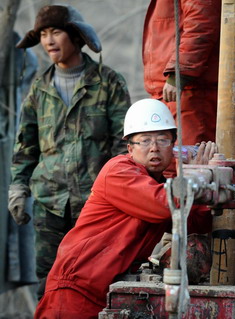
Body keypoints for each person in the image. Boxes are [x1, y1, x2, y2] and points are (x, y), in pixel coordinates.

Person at [34, 99, 215, 318]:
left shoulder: (158, 183)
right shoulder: (118, 171)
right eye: (145, 140)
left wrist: (204, 185)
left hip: (108, 293)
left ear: (174, 147)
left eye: (163, 140)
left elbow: (195, 222)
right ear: (130, 148)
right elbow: (163, 205)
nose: (154, 148)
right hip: (76, 289)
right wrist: (198, 175)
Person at [8, 5, 130, 297]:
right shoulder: (39, 90)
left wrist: (117, 194)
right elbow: (26, 147)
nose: (49, 41)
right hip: (48, 205)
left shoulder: (107, 83)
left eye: (56, 32)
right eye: (44, 34)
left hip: (96, 205)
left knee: (96, 281)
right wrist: (18, 188)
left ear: (76, 36)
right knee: (47, 284)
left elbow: (123, 145)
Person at [142, 0, 221, 145]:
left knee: (190, 160)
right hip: (168, 90)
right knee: (168, 161)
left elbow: (201, 24)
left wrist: (180, 73)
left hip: (187, 90)